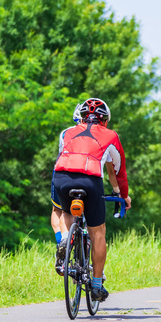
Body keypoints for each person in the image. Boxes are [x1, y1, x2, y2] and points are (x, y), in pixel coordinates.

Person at [53, 98, 131, 302]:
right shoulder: (111, 136)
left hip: (61, 177)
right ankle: (96, 285)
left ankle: (64, 240)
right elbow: (118, 172)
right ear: (105, 120)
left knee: (68, 213)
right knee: (98, 234)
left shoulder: (66, 132)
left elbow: (62, 156)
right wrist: (122, 195)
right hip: (90, 180)